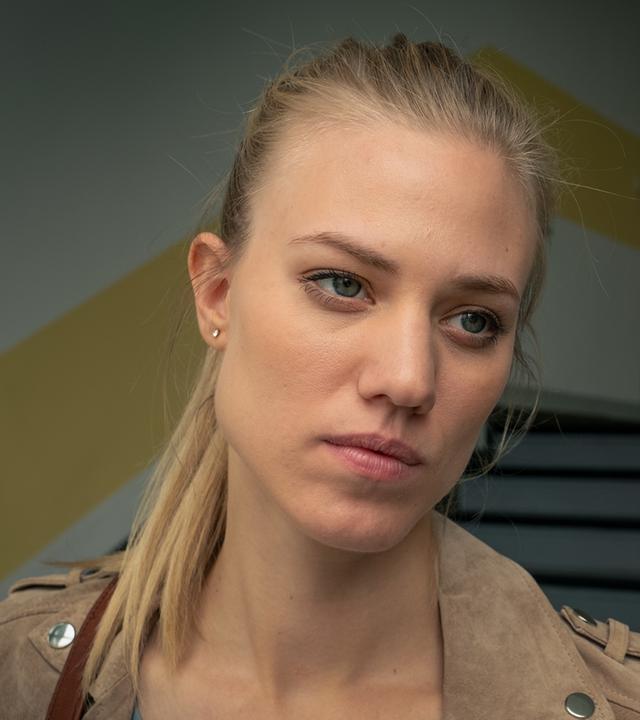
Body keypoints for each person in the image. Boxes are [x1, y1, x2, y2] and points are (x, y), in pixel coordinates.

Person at [1, 34, 638, 720]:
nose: (408, 379)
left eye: (473, 321)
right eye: (342, 283)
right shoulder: (21, 675)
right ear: (217, 294)